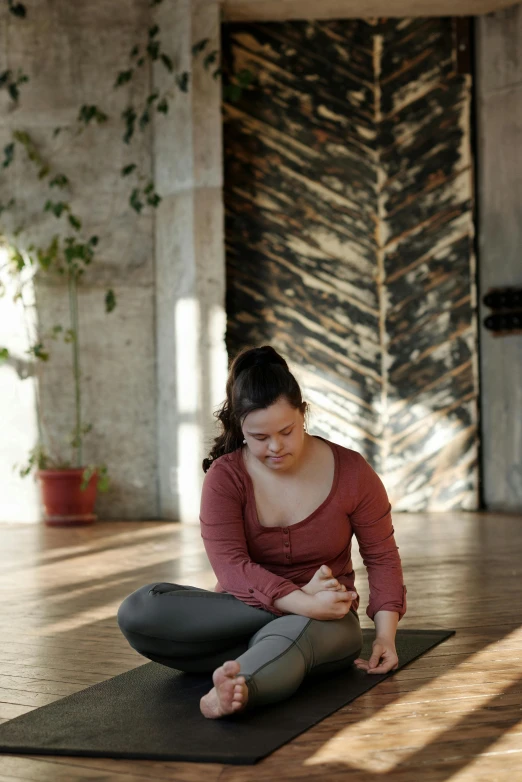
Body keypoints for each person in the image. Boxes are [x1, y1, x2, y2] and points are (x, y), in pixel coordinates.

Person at [117, 345, 407, 719]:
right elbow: (231, 567)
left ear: (302, 414)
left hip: (324, 627)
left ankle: (237, 687)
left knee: (292, 636)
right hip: (246, 613)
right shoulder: (225, 477)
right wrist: (306, 601)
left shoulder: (352, 472)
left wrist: (385, 636)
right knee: (141, 609)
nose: (274, 446)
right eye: (258, 437)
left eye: (286, 431)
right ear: (240, 427)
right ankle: (266, 645)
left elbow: (381, 556)